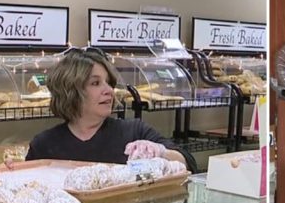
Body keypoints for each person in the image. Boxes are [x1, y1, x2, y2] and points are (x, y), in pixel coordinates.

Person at [23, 49, 195, 170]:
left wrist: (162, 153)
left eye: (109, 83)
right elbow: (28, 191)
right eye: (95, 83)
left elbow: (188, 163)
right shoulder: (44, 144)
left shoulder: (134, 132)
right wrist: (13, 173)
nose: (109, 90)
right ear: (71, 91)